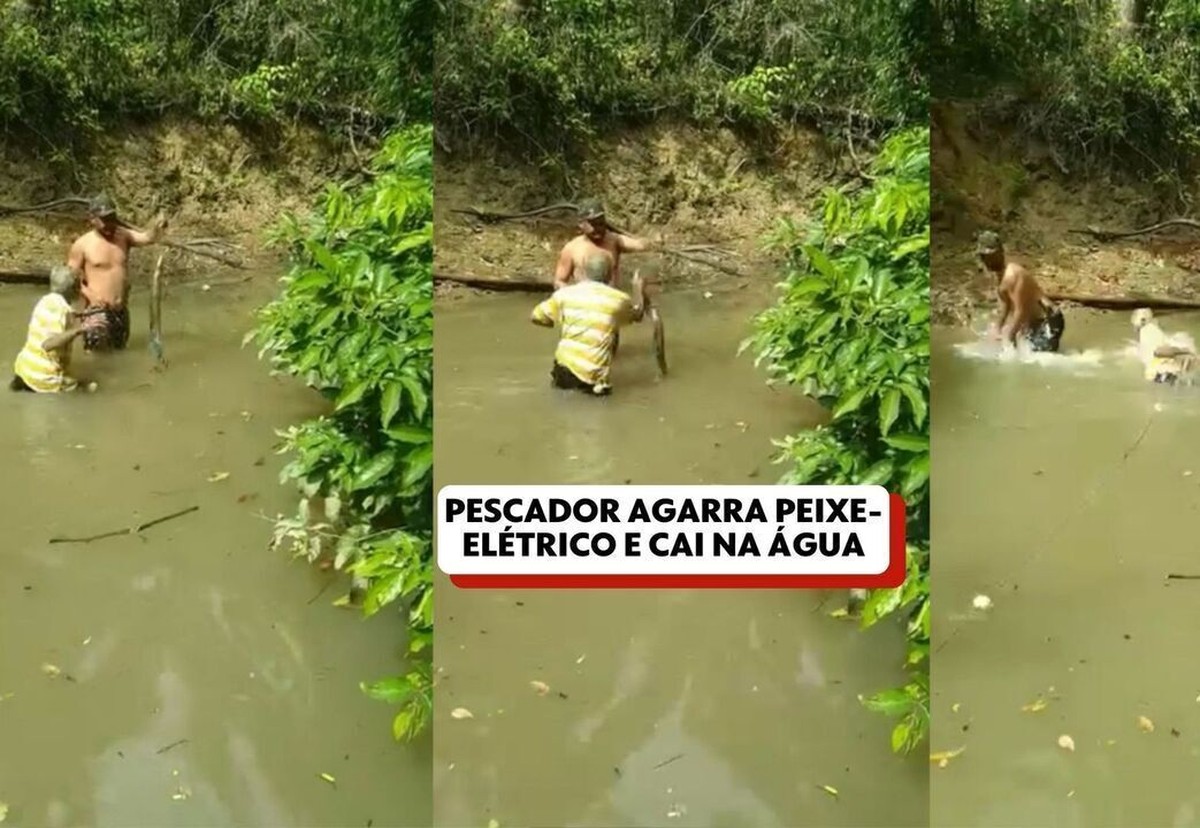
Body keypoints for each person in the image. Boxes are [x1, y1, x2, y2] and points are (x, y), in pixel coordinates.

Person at [532, 253, 647, 396]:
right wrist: (638, 290)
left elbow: (536, 317)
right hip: (593, 378)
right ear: (610, 275)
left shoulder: (564, 295)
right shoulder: (619, 299)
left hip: (563, 369)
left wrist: (555, 322)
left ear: (583, 272)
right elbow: (637, 315)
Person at [66, 193, 168, 352]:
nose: (109, 223)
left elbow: (148, 238)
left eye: (111, 218)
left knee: (120, 352)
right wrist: (91, 296)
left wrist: (157, 227)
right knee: (98, 358)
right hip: (96, 311)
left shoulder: (124, 235)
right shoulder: (82, 245)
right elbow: (69, 280)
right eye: (104, 219)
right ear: (92, 219)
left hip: (121, 310)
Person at [10, 266, 95, 393]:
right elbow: (48, 344)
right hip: (42, 377)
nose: (81, 290)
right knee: (92, 389)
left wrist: (77, 317)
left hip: (25, 370)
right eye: (79, 286)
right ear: (73, 289)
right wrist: (79, 330)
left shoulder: (46, 301)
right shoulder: (61, 310)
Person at [977, 230, 1064, 353]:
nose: (988, 260)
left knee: (1037, 358)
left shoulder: (1012, 274)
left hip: (1048, 319)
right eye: (985, 256)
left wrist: (1010, 339)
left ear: (1001, 252)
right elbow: (1005, 306)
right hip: (1034, 323)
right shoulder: (1000, 276)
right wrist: (997, 328)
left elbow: (1021, 310)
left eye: (992, 255)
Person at [552, 199, 657, 291]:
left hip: (612, 304)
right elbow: (559, 281)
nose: (597, 228)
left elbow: (642, 245)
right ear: (581, 224)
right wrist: (574, 295)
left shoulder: (615, 240)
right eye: (593, 224)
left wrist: (654, 242)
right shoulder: (571, 249)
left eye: (600, 223)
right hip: (586, 306)